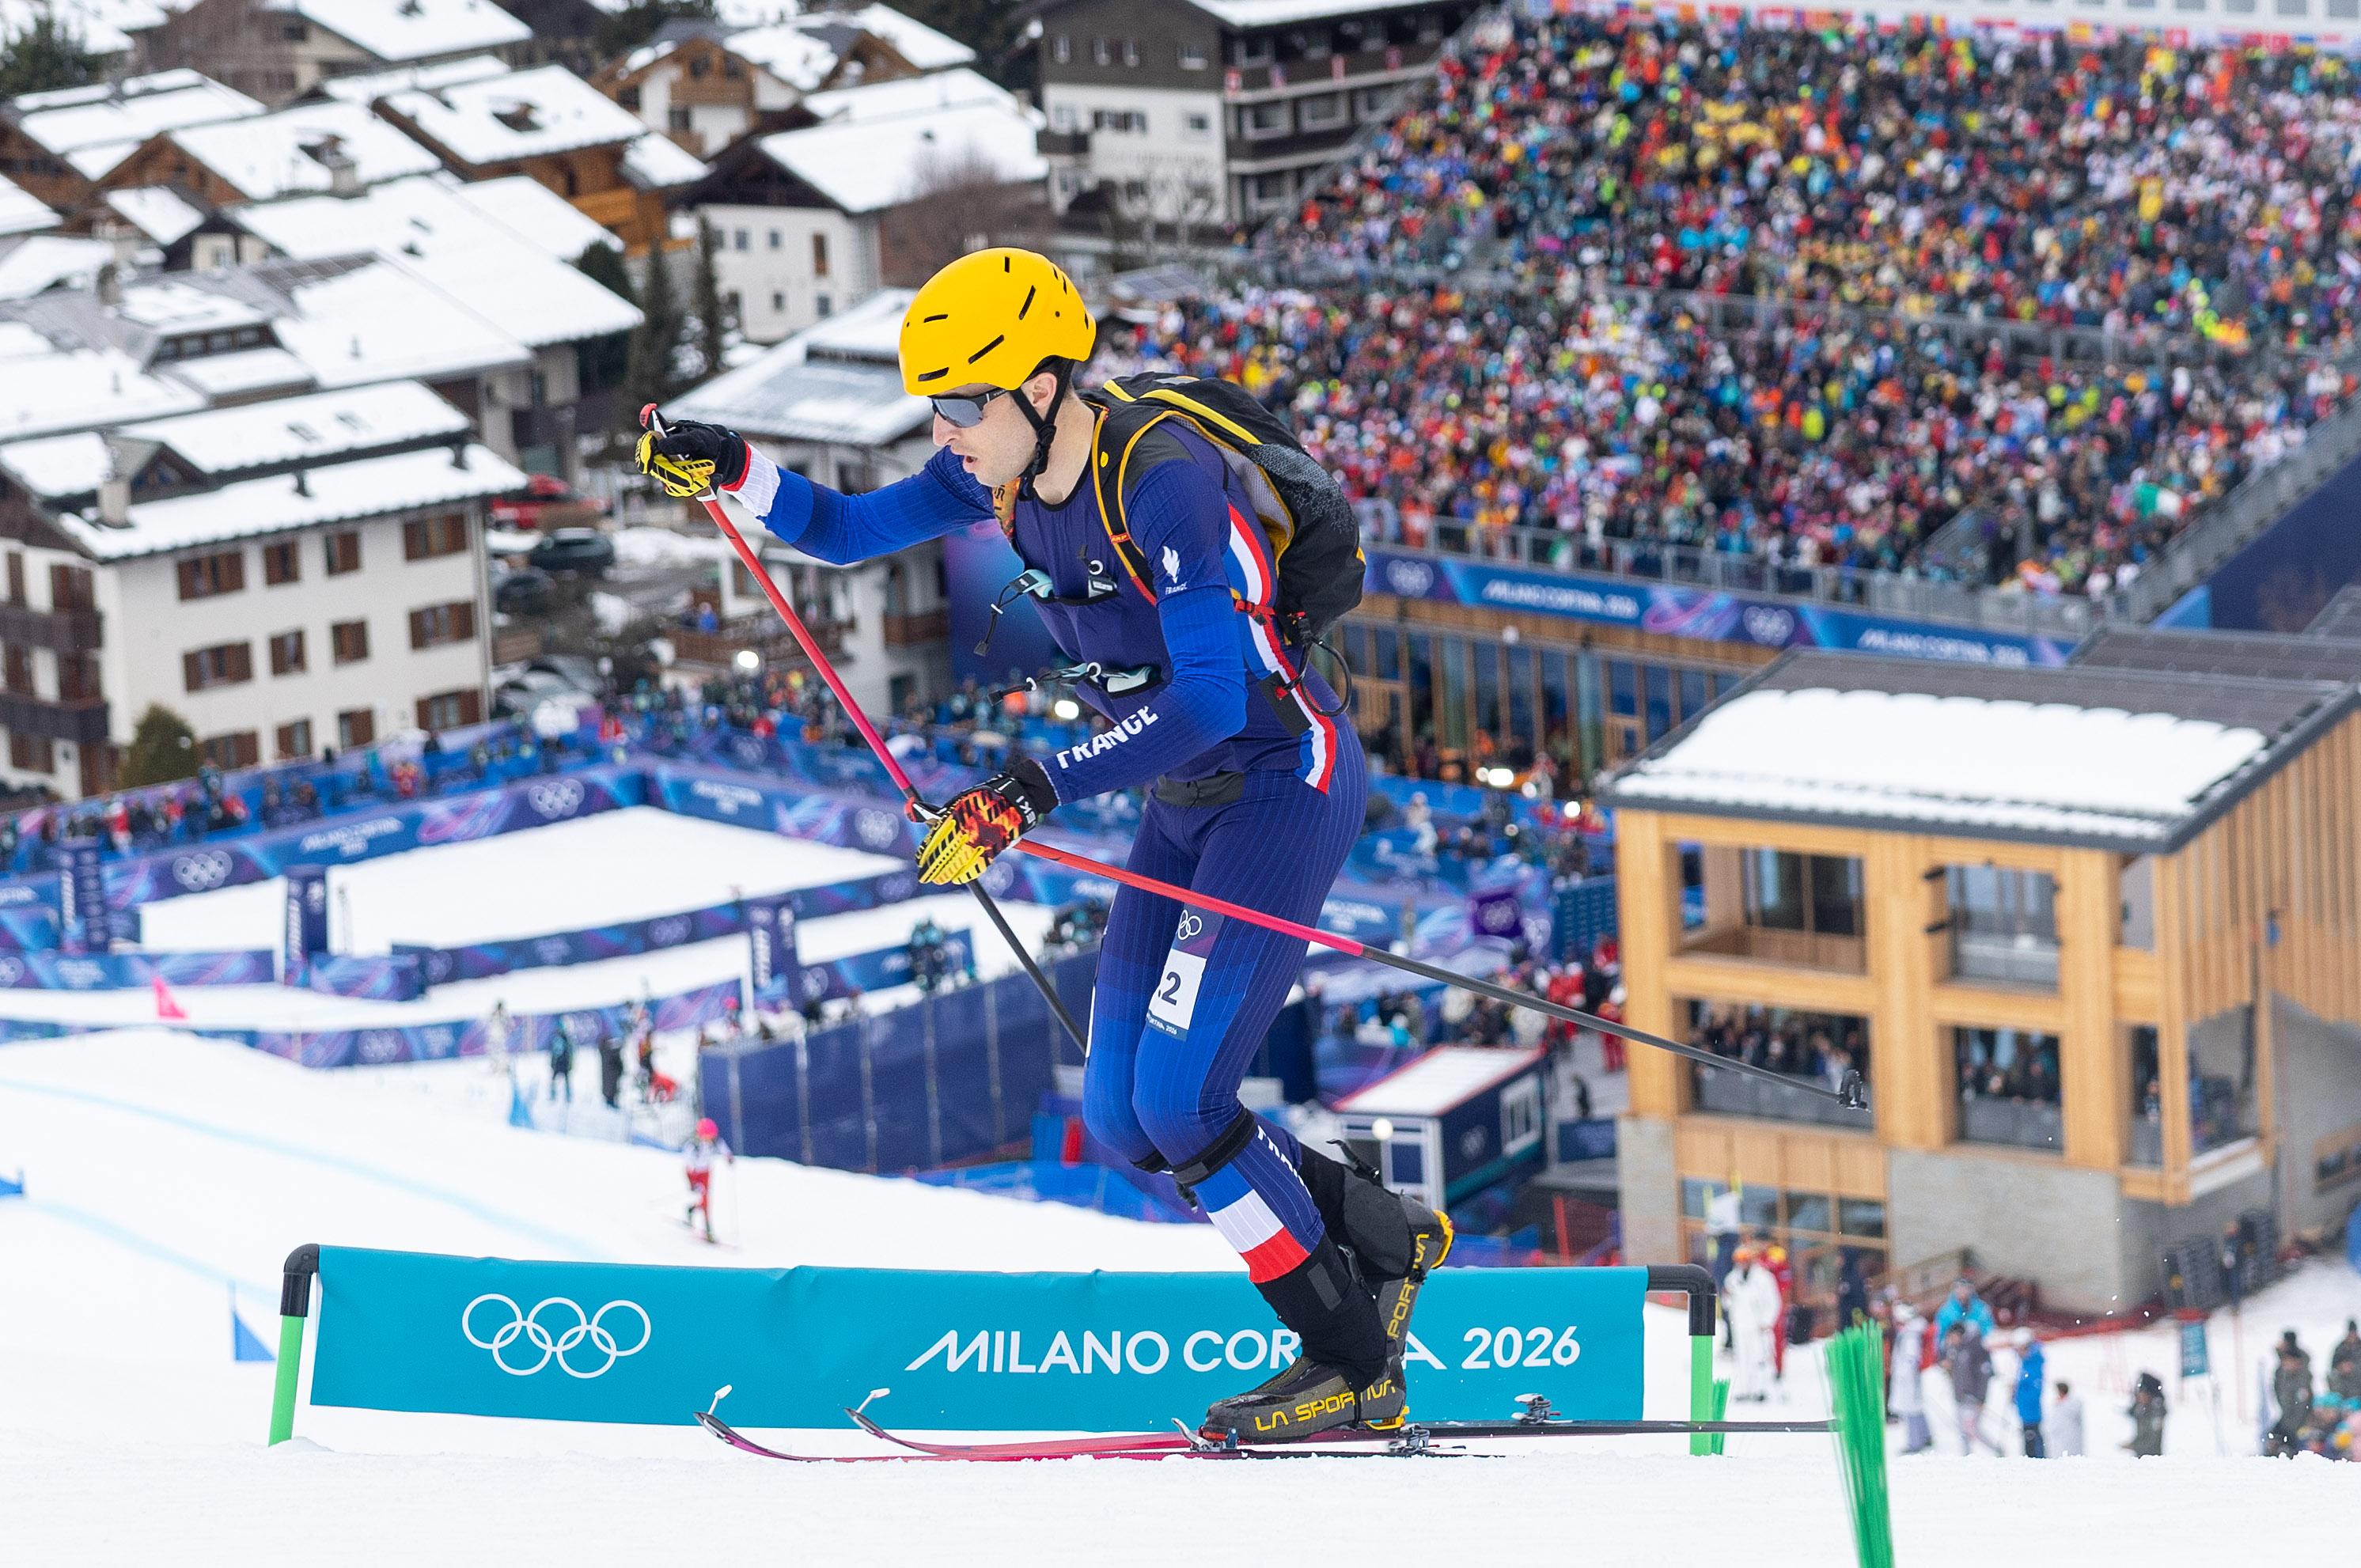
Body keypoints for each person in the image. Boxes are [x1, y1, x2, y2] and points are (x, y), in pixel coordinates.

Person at [640, 246, 1447, 1445]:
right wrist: (735, 467)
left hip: (1282, 781)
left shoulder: (1162, 481)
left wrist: (1027, 788)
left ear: (1040, 386)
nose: (947, 431)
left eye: (964, 404)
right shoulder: (1002, 472)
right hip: (1181, 798)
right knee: (1126, 1121)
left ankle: (1353, 1361)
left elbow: (1216, 697)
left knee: (1184, 1096)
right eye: (937, 408)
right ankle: (1381, 1236)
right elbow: (849, 528)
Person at [1723, 1245, 1783, 1403]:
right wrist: (1727, 1297)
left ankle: (1761, 1390)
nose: (1742, 1263)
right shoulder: (1732, 1279)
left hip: (1759, 1326)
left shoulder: (1764, 1278)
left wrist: (1766, 1321)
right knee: (1742, 1358)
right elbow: (1727, 1303)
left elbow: (1774, 1301)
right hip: (1741, 1325)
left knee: (1760, 1358)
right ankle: (1744, 1390)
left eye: (1745, 1260)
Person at [1943, 1322, 2000, 1456]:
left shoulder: (1975, 1349)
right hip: (1960, 1396)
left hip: (1972, 1398)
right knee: (1963, 1430)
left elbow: (1984, 1375)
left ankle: (1997, 1450)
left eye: (1953, 1337)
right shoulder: (1956, 1350)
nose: (1951, 1340)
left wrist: (1981, 1398)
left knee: (1974, 1429)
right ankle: (1966, 1456)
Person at [1889, 1301, 1932, 1454]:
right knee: (1913, 1409)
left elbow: (1911, 1358)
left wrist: (1903, 1375)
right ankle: (1923, 1437)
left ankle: (1915, 1442)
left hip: (1908, 1380)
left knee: (1911, 1410)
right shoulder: (1907, 1333)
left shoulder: (1911, 1335)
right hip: (1906, 1379)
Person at [684, 1117, 732, 1242]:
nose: (710, 1139)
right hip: (695, 1174)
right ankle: (708, 1229)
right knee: (705, 1200)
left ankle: (692, 1209)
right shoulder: (693, 1146)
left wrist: (729, 1157)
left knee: (706, 1199)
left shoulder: (715, 1142)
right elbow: (688, 1165)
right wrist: (692, 1183)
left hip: (707, 1173)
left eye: (711, 1136)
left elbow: (724, 1149)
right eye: (707, 1136)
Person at [2268, 1334, 2315, 1457]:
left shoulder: (2302, 1380)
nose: (2285, 1364)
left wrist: (2289, 1431)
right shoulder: (2283, 1375)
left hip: (2299, 1425)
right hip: (2286, 1419)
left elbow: (2301, 1409)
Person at [2013, 1328, 2048, 1457]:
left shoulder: (2033, 1363)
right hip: (2026, 1412)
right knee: (2030, 1444)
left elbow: (2034, 1390)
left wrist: (2018, 1394)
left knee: (2034, 1446)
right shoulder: (2026, 1362)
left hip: (2032, 1412)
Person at [1935, 1277, 1995, 1344]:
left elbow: (1989, 1329)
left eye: (1966, 1288)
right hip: (1954, 1349)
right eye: (1959, 1288)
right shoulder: (1945, 1311)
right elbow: (1940, 1335)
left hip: (1978, 1347)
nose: (1963, 1291)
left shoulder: (1982, 1308)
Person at [2126, 1371, 2167, 1457]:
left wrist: (2134, 1446)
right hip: (2142, 1458)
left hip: (2152, 1460)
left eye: (2142, 1394)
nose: (2139, 1397)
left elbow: (2153, 1441)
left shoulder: (2156, 1412)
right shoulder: (2143, 1410)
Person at [2050, 1380, 2085, 1457]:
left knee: (2071, 1456)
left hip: (2070, 1437)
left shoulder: (2073, 1403)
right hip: (2060, 1438)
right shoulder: (2058, 1404)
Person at [2329, 1320, 2361, 1402]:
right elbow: (2333, 1367)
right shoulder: (2340, 1348)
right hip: (2343, 1382)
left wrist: (2354, 1368)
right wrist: (2341, 1368)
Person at [546, 1018, 574, 1103]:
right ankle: (565, 1096)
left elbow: (569, 1052)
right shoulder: (564, 1039)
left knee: (560, 1080)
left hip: (561, 1063)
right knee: (563, 1080)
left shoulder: (560, 1039)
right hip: (562, 1063)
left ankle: (558, 1095)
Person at [597, 1028, 624, 1110]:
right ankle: (610, 1103)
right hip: (611, 1075)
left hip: (610, 1076)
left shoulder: (605, 1051)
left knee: (611, 1089)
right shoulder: (609, 1052)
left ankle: (610, 1102)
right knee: (611, 1089)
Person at [483, 1000, 511, 1078]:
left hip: (500, 1037)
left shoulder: (503, 1014)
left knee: (501, 1052)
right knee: (494, 1052)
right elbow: (487, 1022)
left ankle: (503, 1067)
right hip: (494, 1036)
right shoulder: (493, 1014)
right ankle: (495, 1067)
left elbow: (509, 1024)